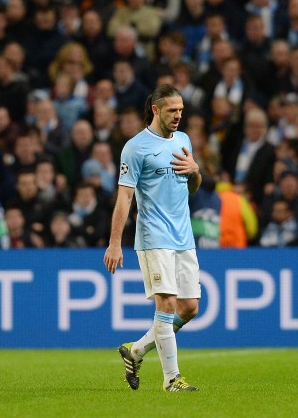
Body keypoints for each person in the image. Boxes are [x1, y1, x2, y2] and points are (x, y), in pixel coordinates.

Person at [103, 84, 202, 392]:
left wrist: (195, 170)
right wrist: (115, 242)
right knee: (167, 304)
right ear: (156, 110)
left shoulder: (183, 140)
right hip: (154, 236)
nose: (178, 115)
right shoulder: (136, 147)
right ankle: (172, 380)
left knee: (190, 307)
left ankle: (135, 351)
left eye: (181, 110)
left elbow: (192, 187)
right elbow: (124, 198)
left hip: (183, 236)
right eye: (172, 110)